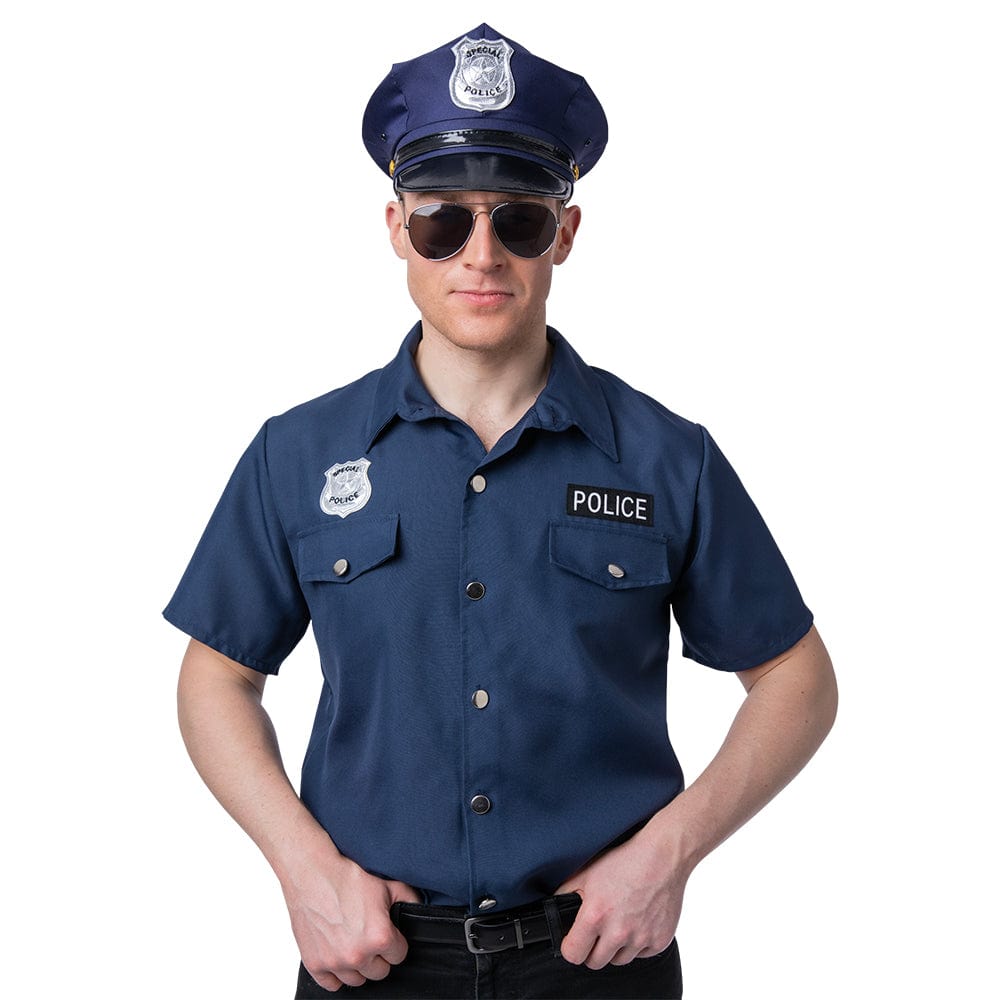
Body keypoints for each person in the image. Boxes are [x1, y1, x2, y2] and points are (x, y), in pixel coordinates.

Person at [166, 23, 837, 999]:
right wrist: (302, 869)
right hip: (371, 962)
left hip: (598, 960)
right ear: (396, 228)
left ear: (564, 233)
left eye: (517, 220)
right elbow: (214, 677)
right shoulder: (298, 453)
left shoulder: (666, 456)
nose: (480, 255)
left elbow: (796, 678)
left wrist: (668, 856)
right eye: (444, 221)